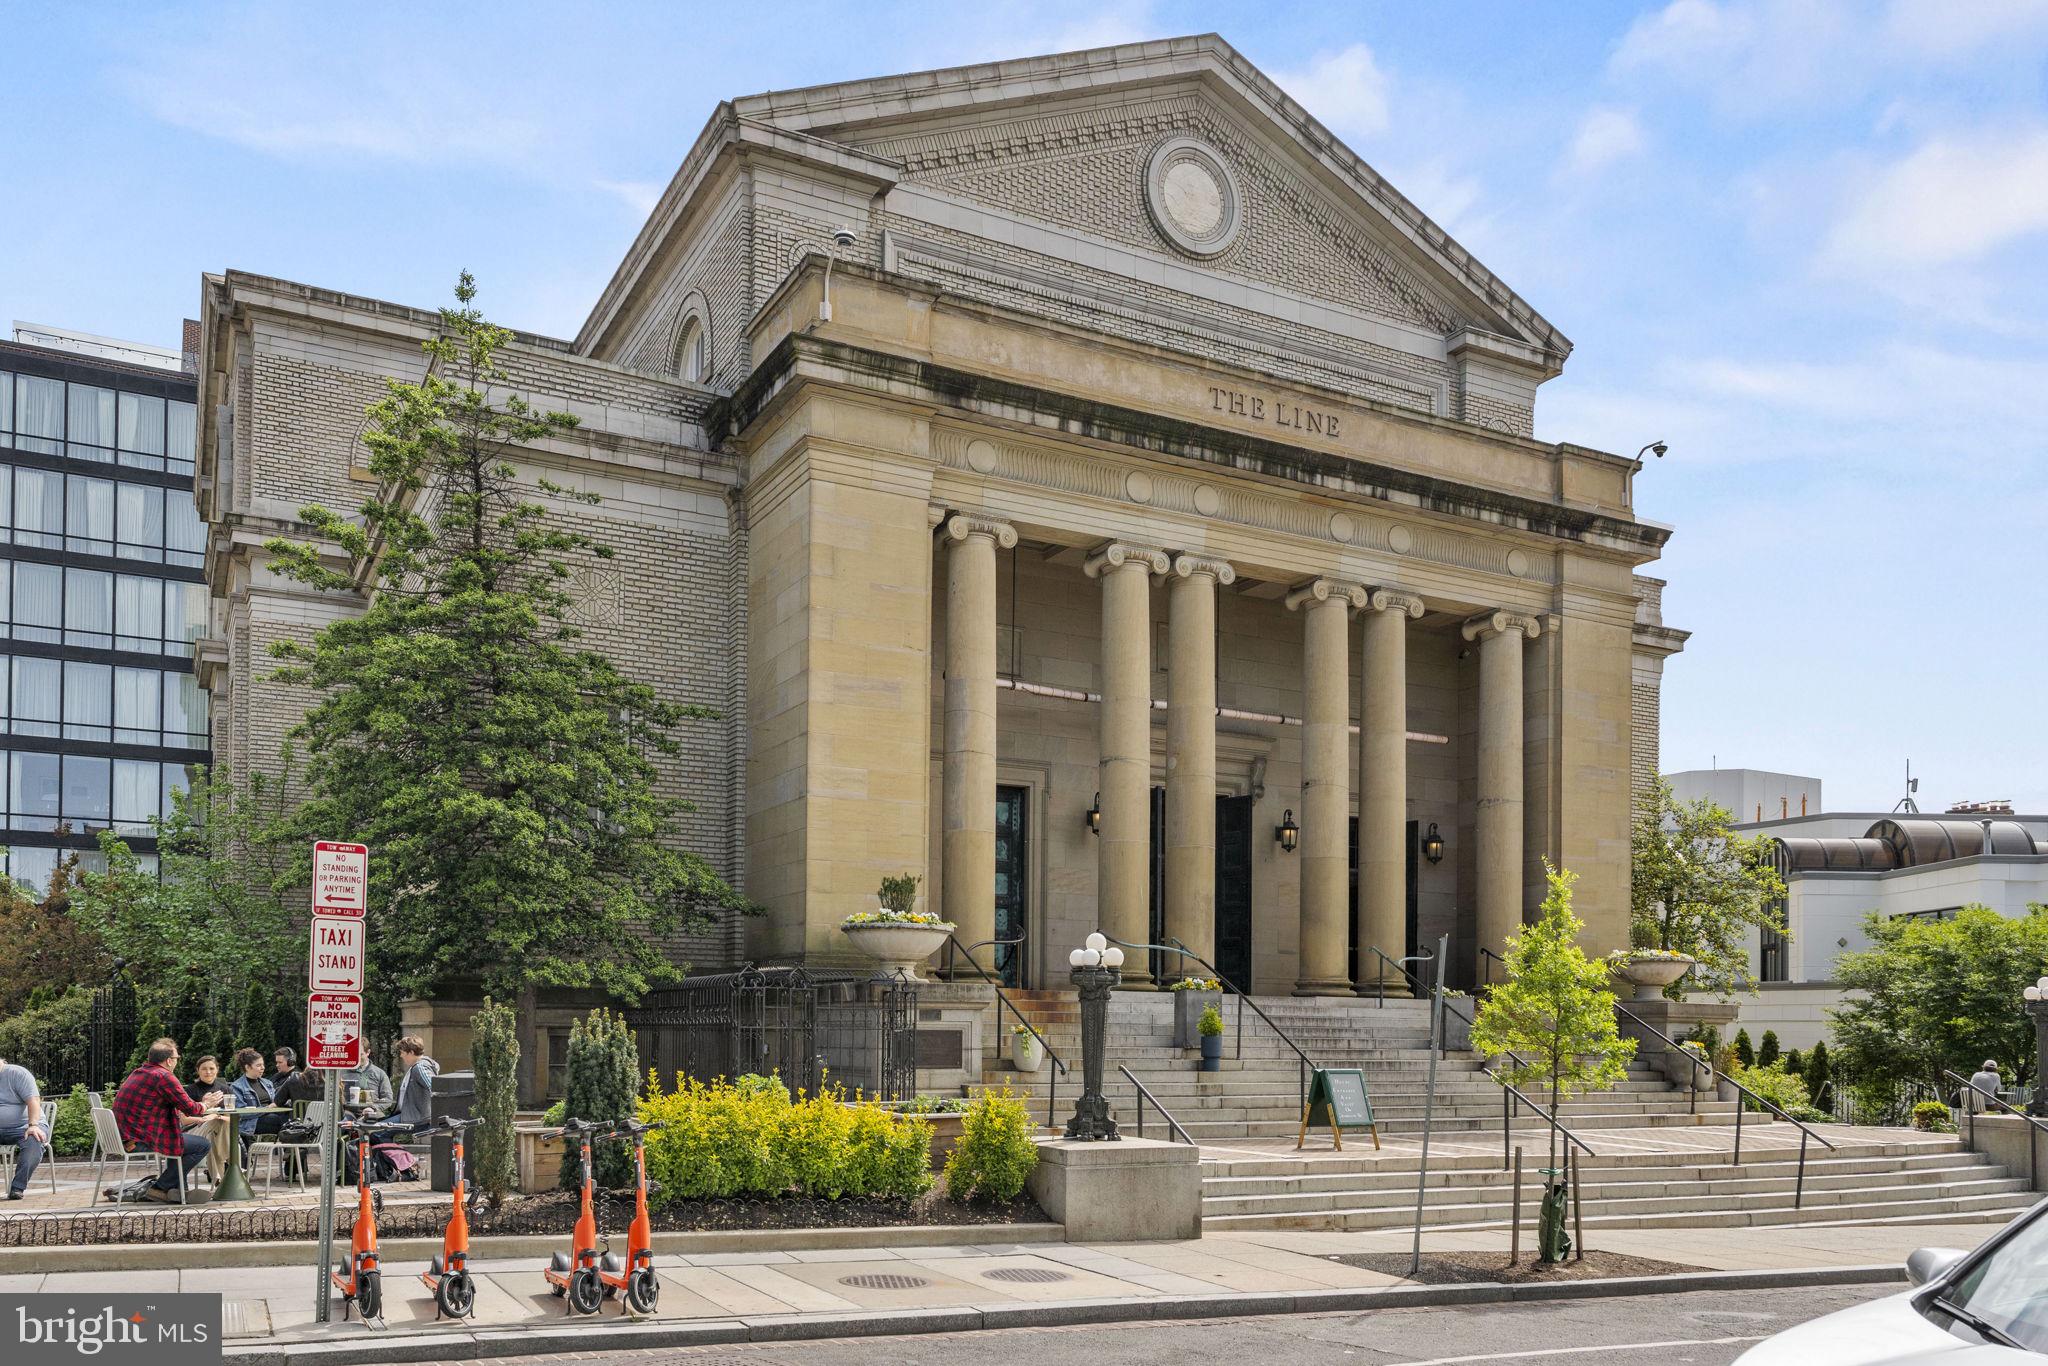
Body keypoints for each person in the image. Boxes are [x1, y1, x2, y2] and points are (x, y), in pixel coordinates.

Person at [113, 1039, 232, 1202]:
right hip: (140, 1140)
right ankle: (160, 1188)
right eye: (177, 1058)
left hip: (129, 1137)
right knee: (201, 1145)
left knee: (175, 1139)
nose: (177, 1061)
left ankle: (177, 1189)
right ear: (169, 1060)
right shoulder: (163, 1076)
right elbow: (191, 1109)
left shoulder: (139, 1072)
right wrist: (206, 1104)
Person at [0, 1054, 48, 1201]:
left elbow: (33, 1101)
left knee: (34, 1140)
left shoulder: (17, 1074)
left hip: (25, 1126)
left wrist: (33, 1125)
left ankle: (17, 1187)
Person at [384, 1037, 438, 1134]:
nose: (401, 1056)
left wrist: (434, 1115)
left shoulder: (420, 1068)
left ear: (412, 1052)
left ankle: (389, 1149)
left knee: (377, 1132)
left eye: (403, 1053)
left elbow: (435, 1088)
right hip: (410, 1115)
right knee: (378, 1129)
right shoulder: (415, 1067)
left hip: (417, 1119)